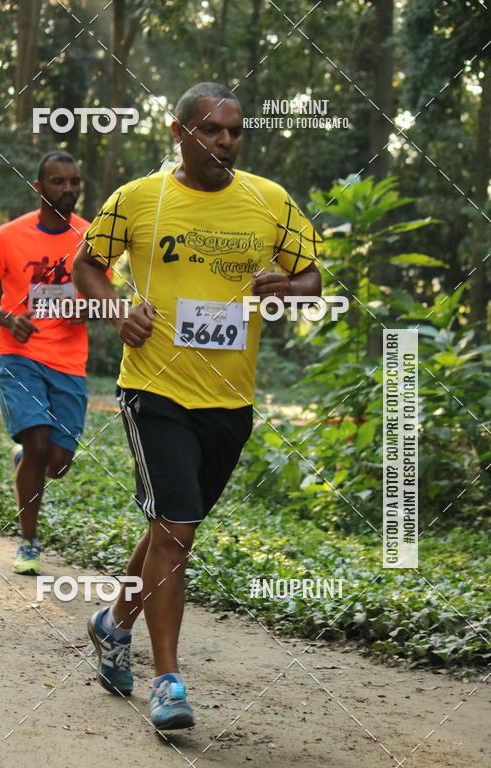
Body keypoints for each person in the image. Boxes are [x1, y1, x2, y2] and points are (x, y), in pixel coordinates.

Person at [72, 82, 322, 730]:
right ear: (179, 133)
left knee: (170, 529)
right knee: (177, 527)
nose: (226, 142)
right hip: (153, 389)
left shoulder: (271, 203)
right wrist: (118, 310)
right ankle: (168, 683)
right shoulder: (137, 200)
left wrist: (285, 286)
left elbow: (313, 278)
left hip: (229, 400)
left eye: (235, 131)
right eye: (212, 130)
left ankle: (112, 621)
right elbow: (88, 266)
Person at [0, 151, 91, 575]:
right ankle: (29, 542)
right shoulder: (8, 237)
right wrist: (7, 319)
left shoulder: (90, 237)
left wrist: (86, 310)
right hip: (19, 354)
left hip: (70, 359)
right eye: (58, 182)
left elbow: (100, 297)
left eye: (74, 182)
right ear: (39, 188)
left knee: (56, 461)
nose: (68, 189)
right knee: (37, 444)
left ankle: (26, 462)